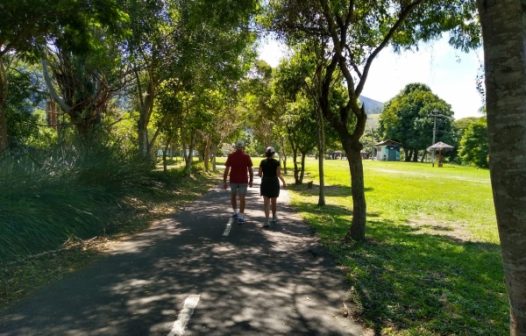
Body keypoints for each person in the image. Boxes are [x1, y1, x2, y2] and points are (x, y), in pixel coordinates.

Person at [223, 141, 253, 223]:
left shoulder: (231, 156)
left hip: (233, 180)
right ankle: (241, 216)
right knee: (242, 198)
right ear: (243, 147)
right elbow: (250, 170)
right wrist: (251, 180)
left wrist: (224, 181)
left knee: (233, 196)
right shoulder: (246, 156)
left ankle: (235, 212)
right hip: (243, 180)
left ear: (235, 147)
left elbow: (226, 170)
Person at [258, 146, 286, 228]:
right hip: (274, 182)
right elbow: (278, 174)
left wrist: (263, 173)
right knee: (274, 202)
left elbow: (260, 174)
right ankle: (274, 217)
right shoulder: (277, 162)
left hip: (265, 182)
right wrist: (284, 182)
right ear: (273, 154)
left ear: (266, 154)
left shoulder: (262, 162)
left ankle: (266, 221)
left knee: (266, 203)